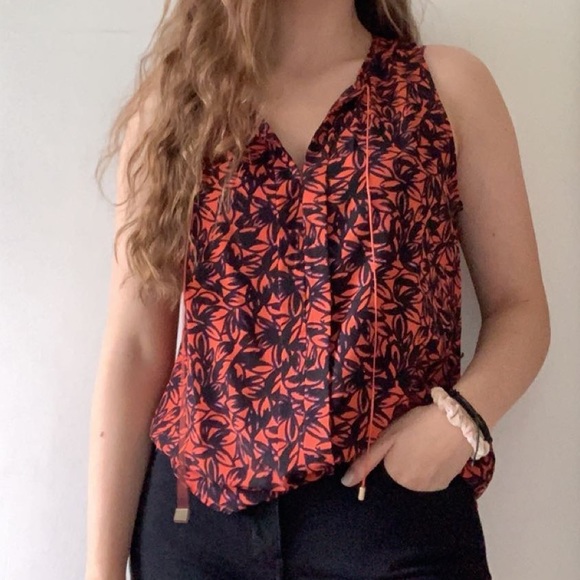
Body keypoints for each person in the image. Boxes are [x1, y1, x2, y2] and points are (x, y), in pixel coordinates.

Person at [85, 1, 550, 579]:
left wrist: (459, 421)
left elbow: (519, 309)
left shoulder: (443, 87)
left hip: (394, 515)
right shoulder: (177, 109)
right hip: (198, 525)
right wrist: (100, 571)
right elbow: (135, 350)